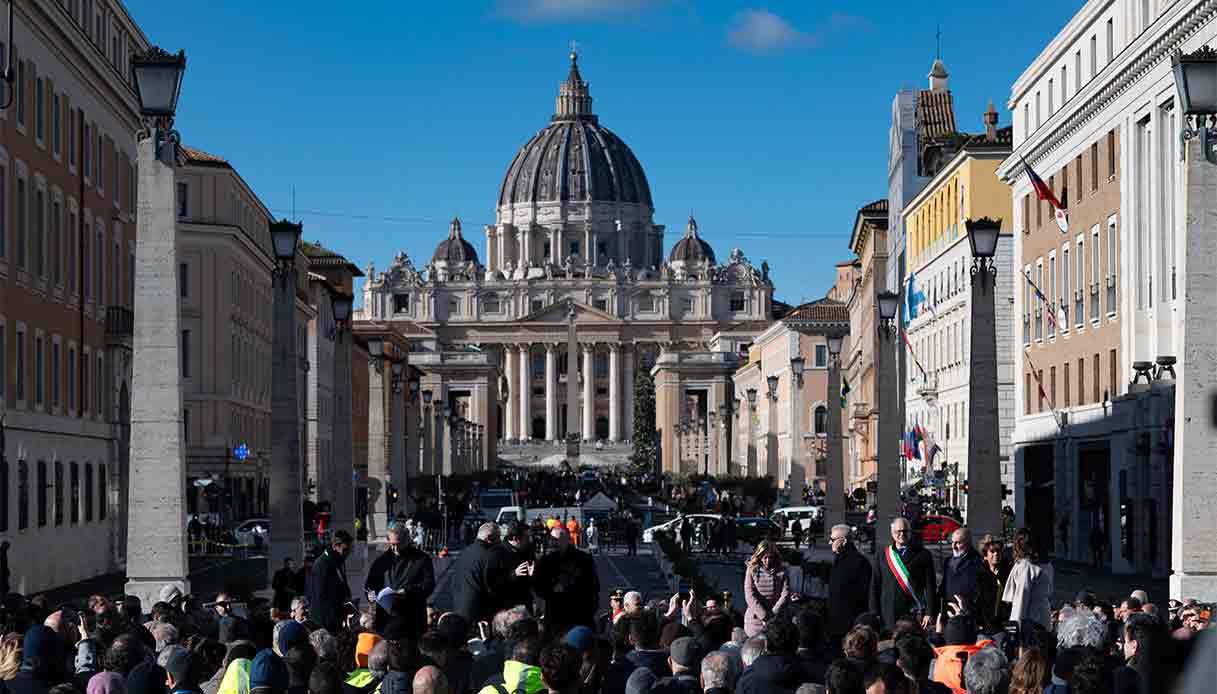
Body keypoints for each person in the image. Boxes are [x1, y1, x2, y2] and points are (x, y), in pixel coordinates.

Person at [869, 517, 937, 631]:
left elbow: (930, 586)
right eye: (898, 531)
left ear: (910, 532)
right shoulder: (882, 555)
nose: (901, 534)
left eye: (905, 531)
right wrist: (874, 613)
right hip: (887, 615)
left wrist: (929, 612)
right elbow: (875, 585)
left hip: (912, 612)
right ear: (892, 533)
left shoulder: (923, 554)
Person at [532, 526, 599, 634]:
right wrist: (536, 579)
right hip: (555, 616)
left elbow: (593, 586)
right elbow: (539, 589)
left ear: (567, 539)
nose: (553, 542)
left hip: (579, 615)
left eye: (557, 539)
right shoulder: (546, 561)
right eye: (552, 539)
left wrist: (567, 587)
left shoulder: (584, 559)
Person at [378, 528, 436, 641]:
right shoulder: (384, 559)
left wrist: (407, 591)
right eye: (392, 544)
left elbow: (429, 585)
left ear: (407, 541)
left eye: (398, 544)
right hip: (390, 621)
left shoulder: (423, 559)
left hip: (413, 620)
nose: (395, 548)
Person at [827, 525, 872, 647]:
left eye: (833, 539)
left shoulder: (859, 562)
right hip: (836, 623)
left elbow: (864, 594)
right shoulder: (839, 559)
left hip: (851, 625)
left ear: (844, 541)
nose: (829, 542)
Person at [1002, 528, 1053, 629]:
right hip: (1042, 619)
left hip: (1030, 625)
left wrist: (1015, 629)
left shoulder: (1026, 567)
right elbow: (1050, 592)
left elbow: (1021, 600)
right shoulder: (1046, 565)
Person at [453, 523, 502, 627]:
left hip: (459, 610)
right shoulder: (490, 556)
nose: (500, 541)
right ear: (489, 538)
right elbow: (493, 587)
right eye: (498, 537)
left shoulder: (464, 552)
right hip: (480, 615)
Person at [306, 530, 354, 632]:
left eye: (350, 550)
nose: (348, 553)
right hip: (325, 621)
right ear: (335, 546)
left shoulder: (338, 560)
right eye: (345, 550)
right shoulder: (322, 564)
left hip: (335, 618)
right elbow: (320, 596)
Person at [743, 540, 789, 638]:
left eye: (770, 557)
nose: (767, 560)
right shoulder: (752, 569)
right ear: (759, 556)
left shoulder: (782, 571)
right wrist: (763, 615)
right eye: (765, 557)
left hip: (776, 620)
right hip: (755, 621)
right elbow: (749, 594)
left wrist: (773, 614)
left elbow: (785, 594)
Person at [489, 522, 536, 617]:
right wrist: (514, 574)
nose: (529, 540)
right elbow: (493, 583)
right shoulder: (498, 553)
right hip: (508, 607)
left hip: (525, 602)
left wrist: (532, 575)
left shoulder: (528, 549)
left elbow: (532, 580)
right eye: (526, 537)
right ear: (515, 539)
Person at [938, 528, 981, 623]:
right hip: (948, 611)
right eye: (952, 542)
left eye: (958, 543)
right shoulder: (948, 561)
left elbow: (979, 590)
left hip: (966, 615)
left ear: (968, 543)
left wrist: (968, 607)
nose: (953, 546)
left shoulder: (977, 562)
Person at [974, 536, 1009, 634]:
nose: (996, 554)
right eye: (992, 551)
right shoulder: (980, 575)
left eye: (998, 551)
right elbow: (977, 600)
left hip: (1006, 624)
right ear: (985, 555)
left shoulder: (1008, 572)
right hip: (986, 625)